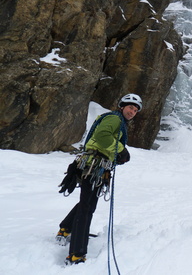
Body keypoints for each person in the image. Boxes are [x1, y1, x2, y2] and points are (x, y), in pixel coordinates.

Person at [56, 93, 142, 265]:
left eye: (135, 110)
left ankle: (66, 228)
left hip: (95, 166)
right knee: (87, 208)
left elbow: (104, 140)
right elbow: (103, 136)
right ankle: (76, 254)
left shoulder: (117, 120)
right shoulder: (115, 119)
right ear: (122, 106)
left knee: (87, 204)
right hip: (93, 167)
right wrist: (120, 150)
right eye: (130, 107)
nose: (132, 112)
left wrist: (116, 155)